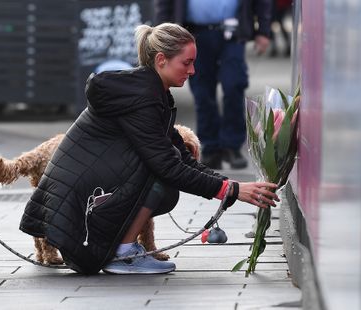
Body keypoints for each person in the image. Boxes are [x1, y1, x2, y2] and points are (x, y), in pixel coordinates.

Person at [19, 23, 279, 275]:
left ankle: (122, 247)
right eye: (186, 63)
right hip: (80, 211)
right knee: (160, 175)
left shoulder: (151, 93)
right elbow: (166, 164)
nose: (193, 71)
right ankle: (124, 253)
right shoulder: (142, 99)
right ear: (161, 60)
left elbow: (183, 157)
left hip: (83, 201)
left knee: (167, 172)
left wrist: (230, 187)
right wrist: (230, 190)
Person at [154, 0, 272, 169]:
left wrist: (264, 30)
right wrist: (162, 34)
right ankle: (210, 147)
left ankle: (232, 146)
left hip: (232, 33)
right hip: (193, 34)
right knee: (202, 92)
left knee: (234, 85)